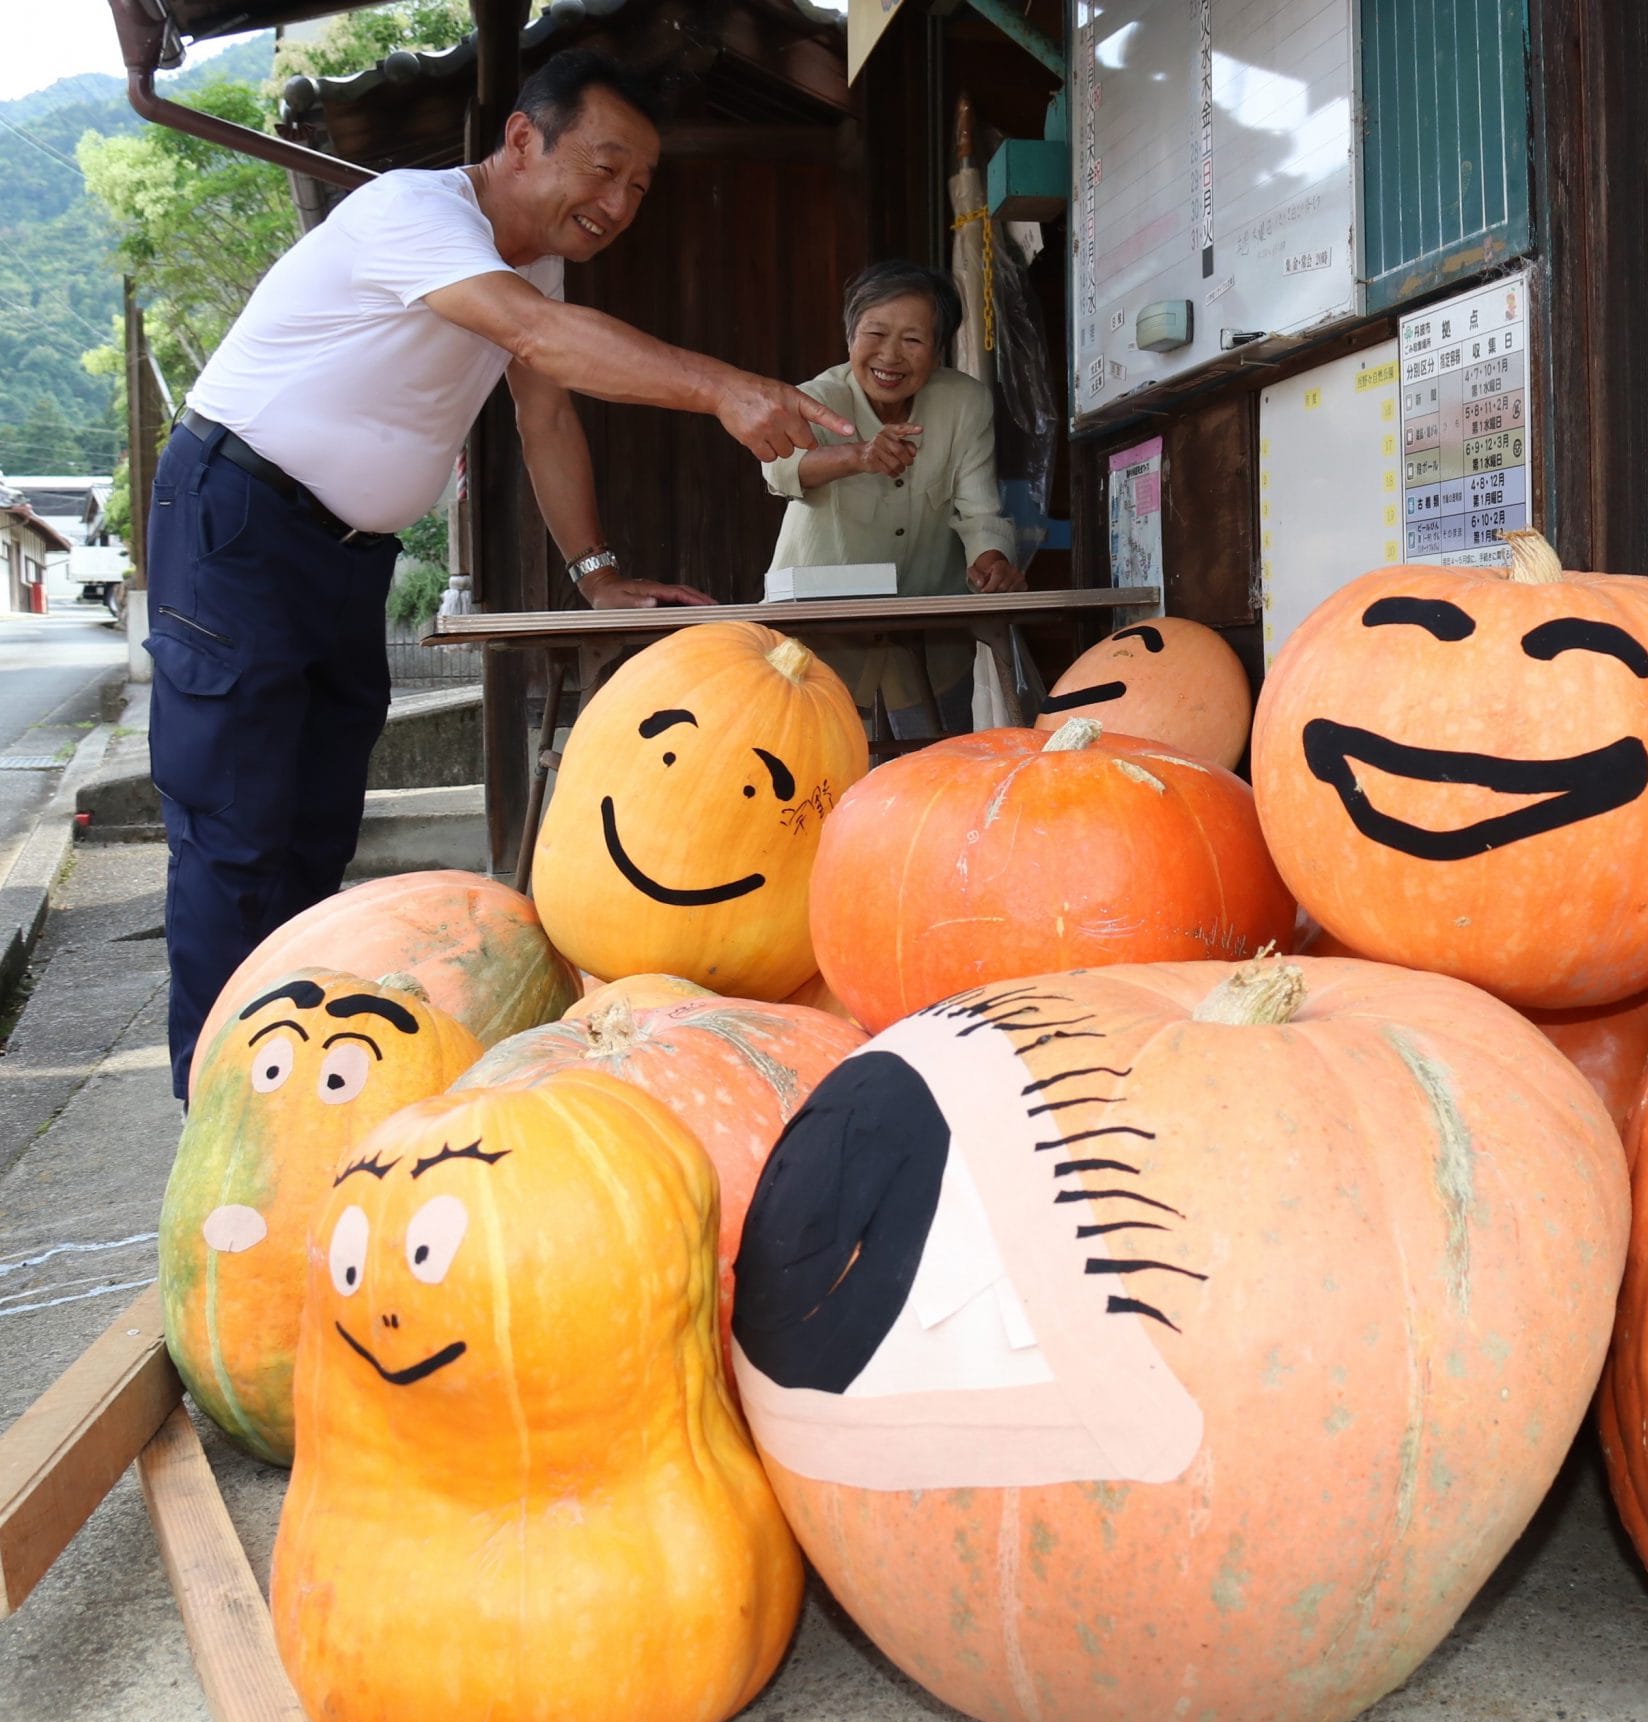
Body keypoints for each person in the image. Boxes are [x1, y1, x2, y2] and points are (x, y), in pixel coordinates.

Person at [150, 50, 856, 1102]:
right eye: (604, 167)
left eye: (638, 186)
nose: (618, 203)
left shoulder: (535, 269)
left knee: (315, 826)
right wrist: (721, 387)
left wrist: (598, 573)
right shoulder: (413, 210)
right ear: (521, 141)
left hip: (344, 554)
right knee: (237, 826)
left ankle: (285, 1073)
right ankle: (214, 1094)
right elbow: (540, 343)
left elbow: (546, 410)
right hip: (237, 517)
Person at [760, 260, 1026, 736]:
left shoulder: (964, 403)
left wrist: (991, 561)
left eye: (913, 340)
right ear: (849, 338)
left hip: (928, 636)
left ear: (938, 349)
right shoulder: (814, 398)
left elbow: (979, 509)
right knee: (820, 769)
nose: (890, 356)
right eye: (875, 334)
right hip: (821, 635)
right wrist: (857, 456)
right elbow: (778, 470)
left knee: (938, 774)